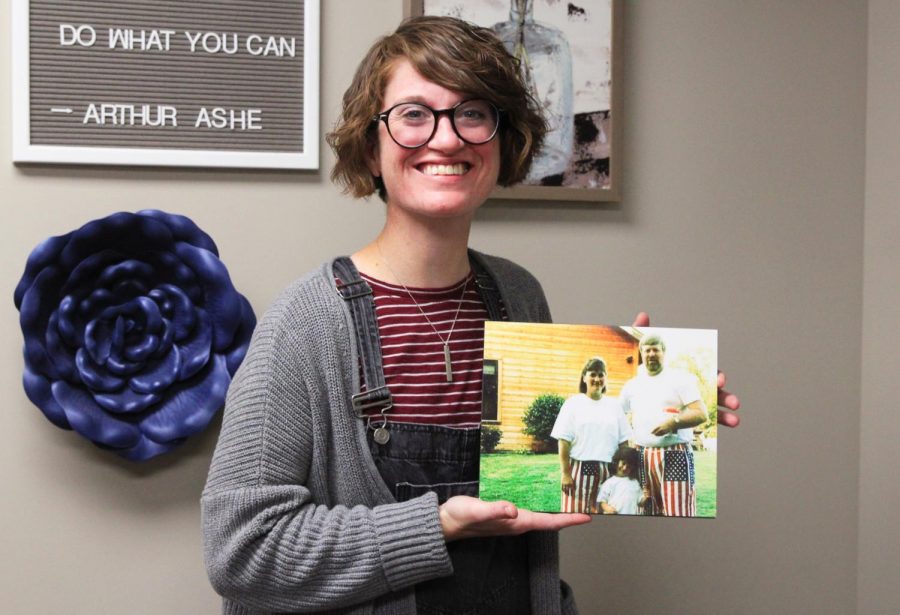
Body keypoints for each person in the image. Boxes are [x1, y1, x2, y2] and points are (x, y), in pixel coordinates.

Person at [201, 15, 741, 615]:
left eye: (473, 113)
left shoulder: (518, 295)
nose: (447, 138)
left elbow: (547, 475)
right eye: (413, 114)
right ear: (370, 148)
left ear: (502, 140)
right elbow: (242, 551)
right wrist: (437, 525)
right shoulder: (305, 323)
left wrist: (659, 397)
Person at [620, 333, 707, 516]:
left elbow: (701, 413)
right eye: (647, 350)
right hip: (642, 455)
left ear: (664, 352)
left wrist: (673, 423)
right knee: (646, 509)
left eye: (655, 349)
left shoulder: (680, 379)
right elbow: (623, 416)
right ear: (641, 353)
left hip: (675, 453)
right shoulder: (632, 385)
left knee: (678, 510)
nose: (651, 354)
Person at [550, 357, 632, 514]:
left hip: (609, 470)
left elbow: (624, 443)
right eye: (592, 374)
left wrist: (623, 471)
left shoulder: (614, 406)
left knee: (606, 514)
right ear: (584, 377)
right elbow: (563, 441)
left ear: (606, 378)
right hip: (579, 471)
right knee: (575, 516)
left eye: (601, 375)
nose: (597, 379)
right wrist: (566, 474)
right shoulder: (573, 404)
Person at [596, 446, 649, 515]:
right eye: (623, 463)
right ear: (617, 462)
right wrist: (607, 508)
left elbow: (640, 503)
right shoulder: (609, 482)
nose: (624, 468)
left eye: (629, 466)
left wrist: (645, 497)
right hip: (614, 516)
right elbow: (602, 500)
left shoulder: (634, 482)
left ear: (633, 468)